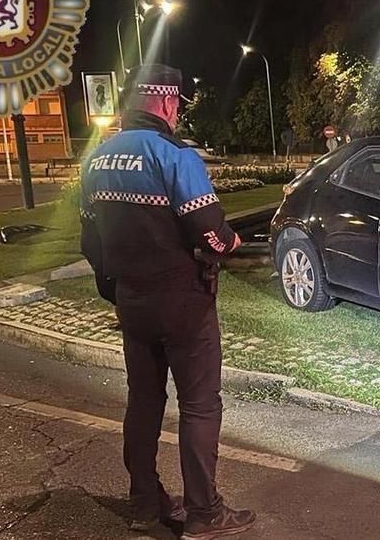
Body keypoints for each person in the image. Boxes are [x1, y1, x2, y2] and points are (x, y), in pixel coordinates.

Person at [80, 64, 255, 538]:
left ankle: (143, 504)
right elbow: (212, 233)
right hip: (183, 300)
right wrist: (232, 243)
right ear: (164, 102)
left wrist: (114, 290)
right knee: (199, 405)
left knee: (143, 401)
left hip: (132, 301)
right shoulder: (174, 156)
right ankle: (203, 512)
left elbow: (90, 242)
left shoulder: (98, 158)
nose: (177, 111)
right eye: (176, 102)